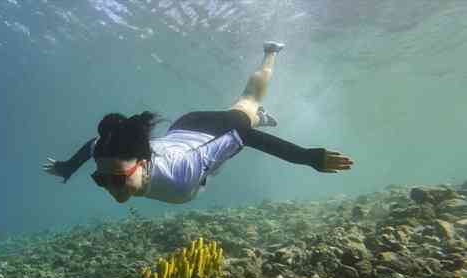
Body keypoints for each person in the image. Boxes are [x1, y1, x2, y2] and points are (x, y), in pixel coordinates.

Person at [43, 41, 353, 204]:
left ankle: (271, 52)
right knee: (246, 114)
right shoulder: (115, 151)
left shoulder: (183, 172)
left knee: (247, 102)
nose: (111, 188)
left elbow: (244, 137)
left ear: (143, 161)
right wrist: (69, 167)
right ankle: (261, 115)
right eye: (102, 180)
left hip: (212, 134)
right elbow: (94, 145)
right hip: (184, 125)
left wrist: (308, 158)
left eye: (117, 179)